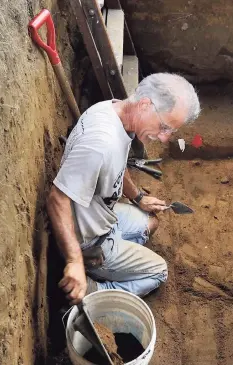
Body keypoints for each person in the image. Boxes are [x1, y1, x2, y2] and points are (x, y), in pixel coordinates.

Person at [47, 73, 200, 304]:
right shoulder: (100, 144)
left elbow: (119, 164)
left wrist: (138, 197)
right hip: (87, 238)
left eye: (171, 132)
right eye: (164, 127)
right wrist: (74, 261)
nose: (165, 138)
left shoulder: (117, 113)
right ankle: (93, 288)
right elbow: (57, 199)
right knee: (158, 272)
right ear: (145, 104)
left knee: (151, 222)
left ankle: (111, 260)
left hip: (102, 216)